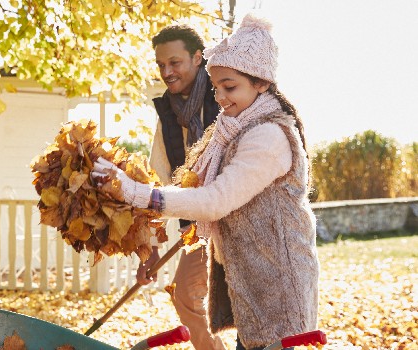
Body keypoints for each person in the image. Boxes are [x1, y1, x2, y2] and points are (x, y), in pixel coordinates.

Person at [93, 13, 319, 350]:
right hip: (249, 281)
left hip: (279, 286)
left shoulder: (268, 136)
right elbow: (175, 182)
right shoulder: (231, 128)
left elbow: (216, 200)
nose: (222, 99)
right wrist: (147, 247)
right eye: (217, 89)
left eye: (230, 88)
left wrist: (137, 193)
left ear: (262, 83)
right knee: (192, 300)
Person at [140, 24, 225, 350]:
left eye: (174, 62)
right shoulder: (167, 115)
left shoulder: (225, 95)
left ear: (197, 57)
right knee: (186, 295)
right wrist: (151, 244)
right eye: (161, 64)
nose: (166, 71)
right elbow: (157, 180)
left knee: (251, 306)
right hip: (198, 230)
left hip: (237, 218)